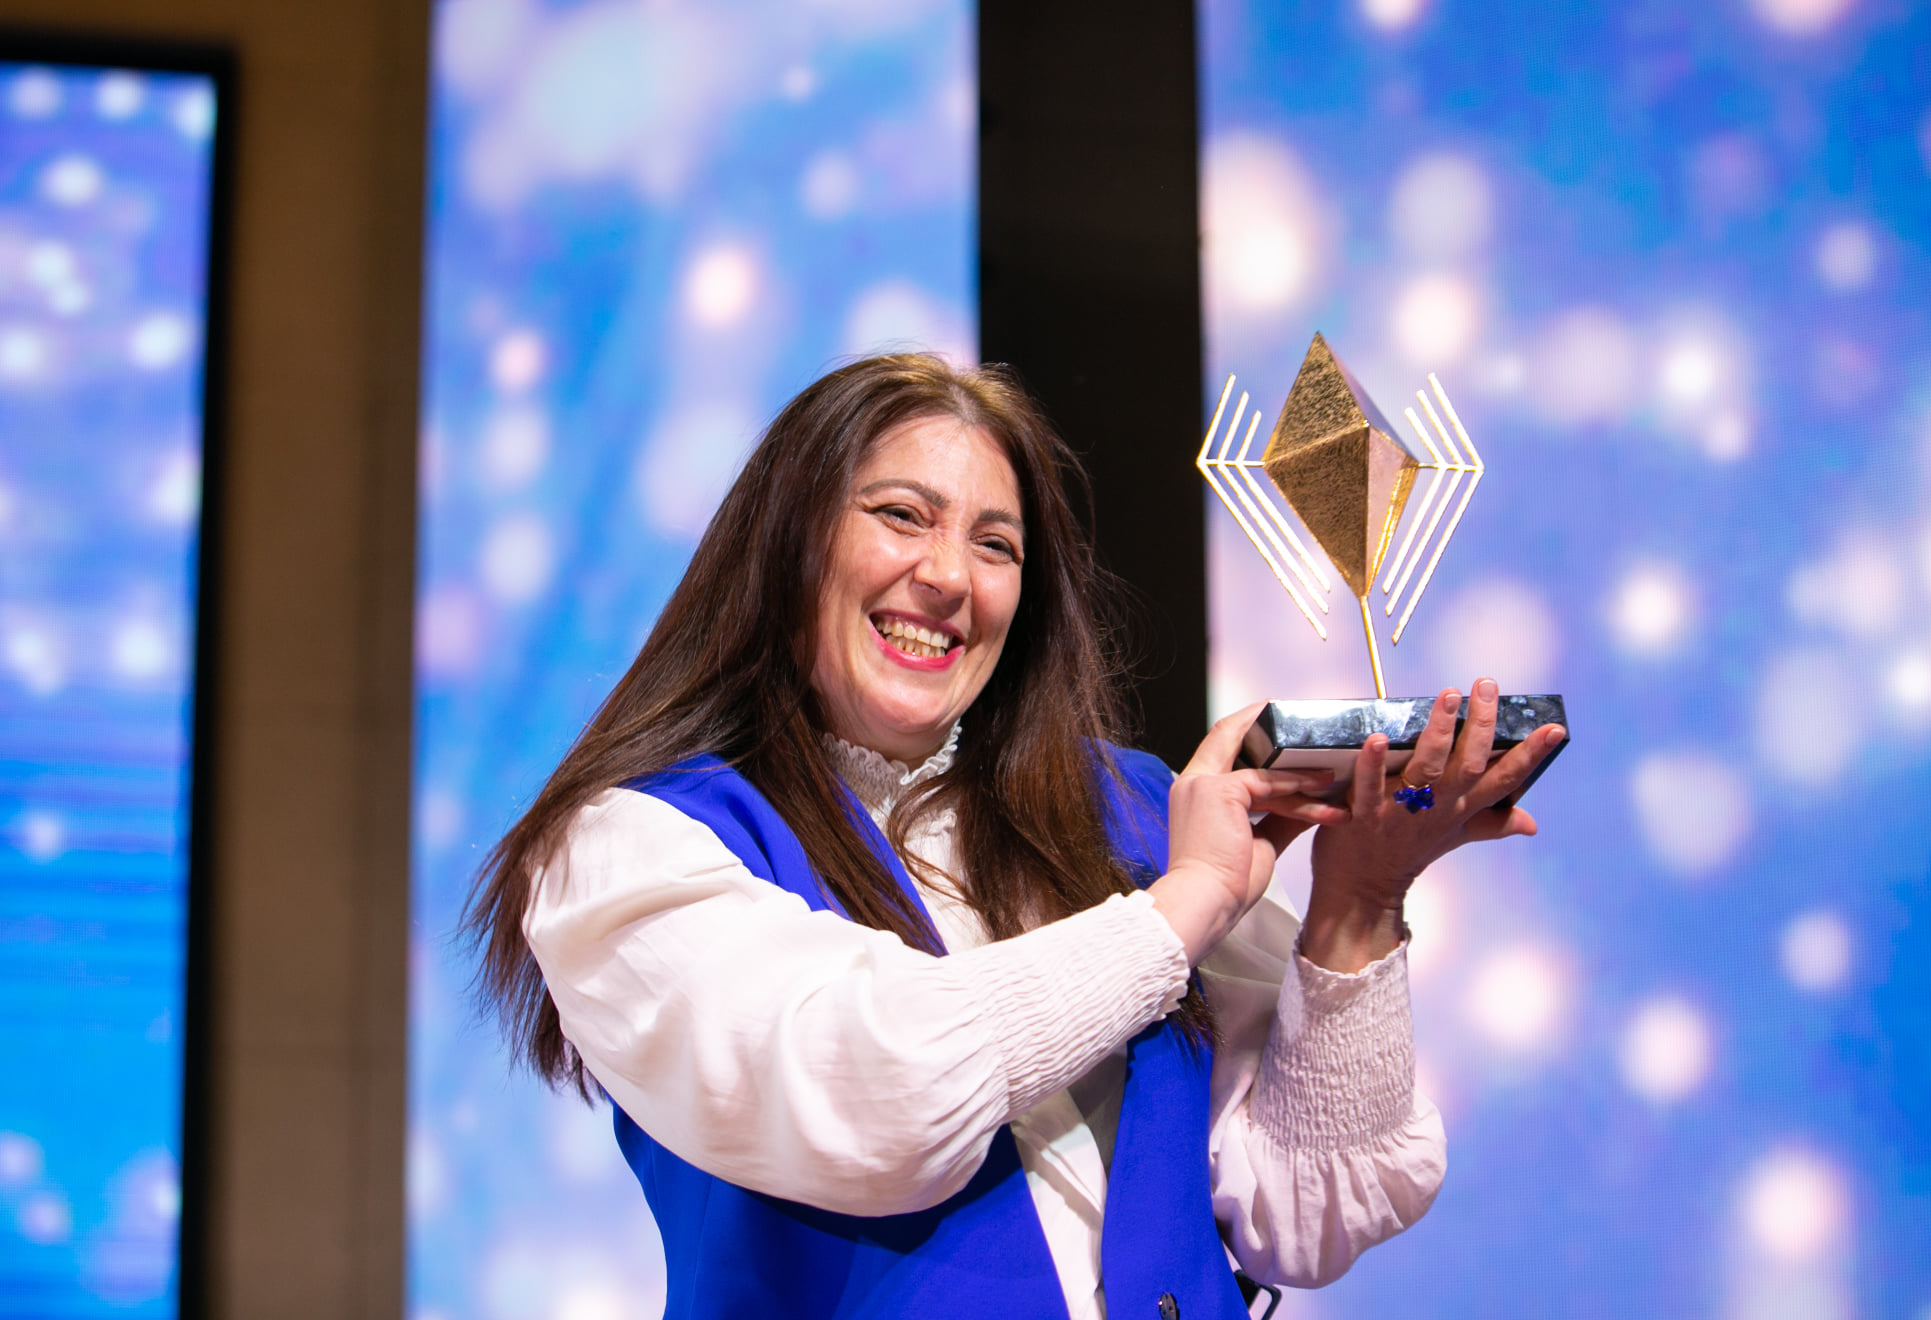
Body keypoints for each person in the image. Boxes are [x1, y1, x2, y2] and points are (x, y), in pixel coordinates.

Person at [465, 354, 1565, 1319]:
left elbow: (1303, 1219)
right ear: (786, 540)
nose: (950, 577)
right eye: (902, 515)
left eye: (995, 543)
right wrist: (1182, 907)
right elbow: (881, 1093)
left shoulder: (1134, 810)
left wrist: (1358, 904)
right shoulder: (633, 843)